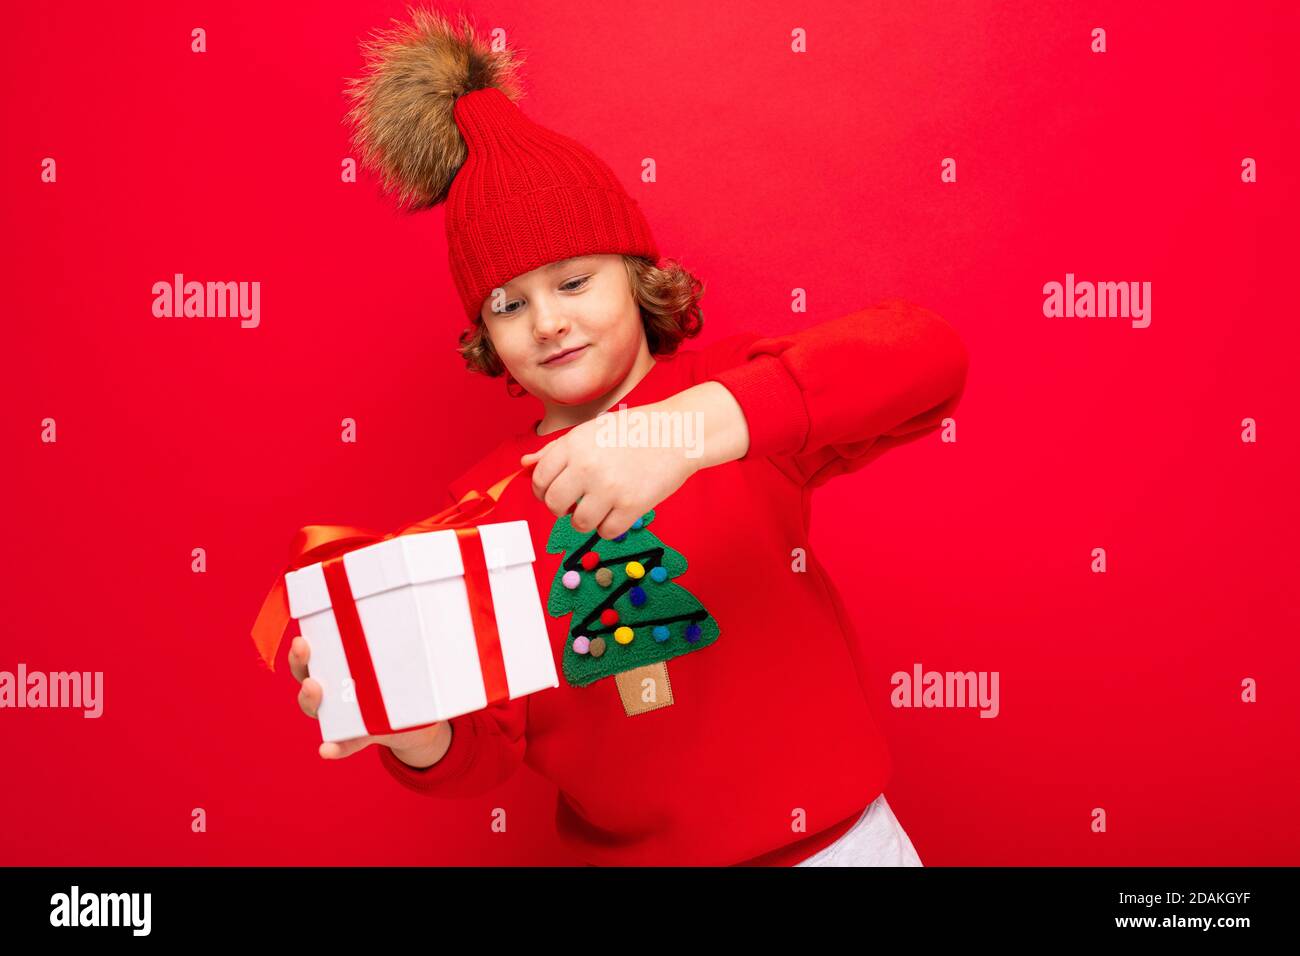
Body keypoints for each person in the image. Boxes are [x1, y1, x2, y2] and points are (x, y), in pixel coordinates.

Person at [289, 7, 966, 866]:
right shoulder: (479, 512)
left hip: (839, 849)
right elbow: (489, 745)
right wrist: (416, 730)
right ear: (483, 333)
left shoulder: (724, 400)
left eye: (575, 281)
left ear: (638, 275)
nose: (548, 324)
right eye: (509, 304)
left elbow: (927, 356)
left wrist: (689, 430)